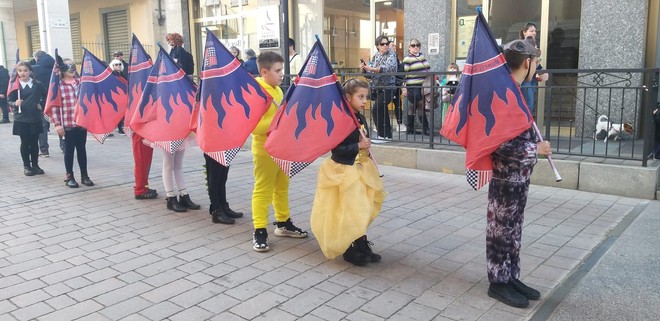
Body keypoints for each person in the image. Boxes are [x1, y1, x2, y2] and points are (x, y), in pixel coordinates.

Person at [485, 39, 553, 308]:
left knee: (513, 228)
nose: (535, 66)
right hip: (505, 174)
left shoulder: (513, 91)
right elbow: (498, 142)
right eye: (535, 61)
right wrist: (535, 148)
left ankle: (510, 276)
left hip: (518, 174)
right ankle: (497, 282)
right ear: (527, 63)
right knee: (500, 229)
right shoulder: (504, 94)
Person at [310, 78, 386, 266]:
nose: (364, 101)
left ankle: (361, 242)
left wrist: (365, 148)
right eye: (360, 97)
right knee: (351, 210)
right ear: (348, 97)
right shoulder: (341, 119)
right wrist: (358, 145)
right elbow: (336, 149)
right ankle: (349, 248)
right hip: (344, 171)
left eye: (366, 97)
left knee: (364, 207)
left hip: (360, 168)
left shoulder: (358, 116)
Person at [251, 51, 308, 252]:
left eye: (282, 69)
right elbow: (254, 126)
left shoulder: (277, 90)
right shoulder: (257, 92)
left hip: (282, 149)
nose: (281, 74)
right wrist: (279, 119)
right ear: (264, 71)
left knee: (282, 187)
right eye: (277, 70)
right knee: (263, 190)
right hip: (264, 151)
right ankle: (259, 229)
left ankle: (283, 223)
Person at [49, 59, 94, 188]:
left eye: (74, 66)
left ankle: (84, 175)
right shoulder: (58, 86)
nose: (72, 69)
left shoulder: (81, 83)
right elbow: (54, 107)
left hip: (81, 124)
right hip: (67, 124)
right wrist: (57, 124)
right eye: (69, 66)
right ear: (62, 70)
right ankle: (69, 176)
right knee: (69, 151)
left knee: (82, 150)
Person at [7, 61, 48, 176]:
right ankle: (27, 166)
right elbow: (9, 101)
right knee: (25, 143)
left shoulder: (37, 84)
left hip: (35, 117)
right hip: (21, 118)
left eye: (25, 70)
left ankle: (35, 165)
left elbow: (46, 96)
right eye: (20, 71)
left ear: (30, 71)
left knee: (35, 143)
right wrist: (15, 103)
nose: (23, 73)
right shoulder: (15, 86)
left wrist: (41, 103)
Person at [361, 35, 397, 139]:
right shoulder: (376, 56)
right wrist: (364, 69)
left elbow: (389, 68)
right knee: (382, 111)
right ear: (377, 46)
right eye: (382, 44)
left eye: (387, 43)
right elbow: (370, 73)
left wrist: (372, 68)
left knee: (376, 109)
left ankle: (382, 135)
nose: (385, 46)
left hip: (388, 88)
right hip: (377, 88)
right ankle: (388, 136)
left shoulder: (392, 54)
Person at [159, 138, 201, 213]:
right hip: (168, 135)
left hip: (180, 134)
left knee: (178, 166)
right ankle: (170, 197)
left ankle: (183, 195)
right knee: (168, 165)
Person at [401, 38, 431, 135]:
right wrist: (404, 87)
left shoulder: (422, 57)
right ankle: (426, 128)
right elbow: (403, 74)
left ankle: (410, 128)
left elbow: (428, 70)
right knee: (420, 104)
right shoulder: (407, 59)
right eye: (413, 45)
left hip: (422, 87)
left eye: (417, 45)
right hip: (412, 87)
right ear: (409, 48)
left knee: (413, 106)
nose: (416, 47)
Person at [205, 154, 244, 224]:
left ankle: (223, 206)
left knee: (222, 179)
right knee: (214, 179)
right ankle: (217, 210)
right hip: (213, 149)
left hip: (225, 149)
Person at [518, 22, 548, 114]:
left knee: (529, 105)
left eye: (535, 31)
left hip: (531, 79)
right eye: (531, 31)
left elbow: (536, 63)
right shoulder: (520, 45)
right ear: (524, 32)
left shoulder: (534, 45)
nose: (534, 33)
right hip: (524, 79)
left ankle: (527, 126)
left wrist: (542, 72)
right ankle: (526, 127)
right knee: (527, 105)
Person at [31, 50, 56, 156]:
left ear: (36, 57)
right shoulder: (55, 67)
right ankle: (64, 146)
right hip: (55, 99)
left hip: (42, 100)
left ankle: (44, 149)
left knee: (43, 125)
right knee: (59, 123)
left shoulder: (35, 68)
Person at [389, 41, 405, 132]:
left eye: (394, 45)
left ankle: (399, 123)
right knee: (384, 104)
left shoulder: (395, 57)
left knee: (398, 103)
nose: (394, 47)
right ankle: (382, 124)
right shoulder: (388, 57)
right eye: (392, 45)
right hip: (389, 84)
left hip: (396, 84)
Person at [109, 59, 126, 135]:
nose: (118, 66)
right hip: (115, 96)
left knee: (122, 113)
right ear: (112, 66)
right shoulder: (112, 74)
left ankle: (121, 127)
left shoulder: (122, 73)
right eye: (116, 64)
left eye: (119, 64)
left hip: (122, 96)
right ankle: (119, 128)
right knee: (116, 114)